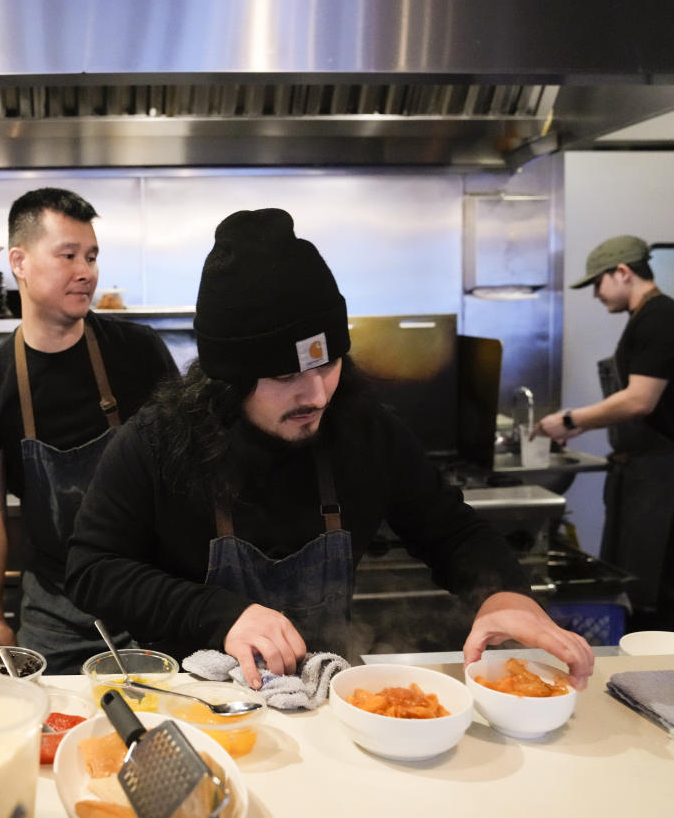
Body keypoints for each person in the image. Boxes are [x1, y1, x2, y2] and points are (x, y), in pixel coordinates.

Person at [67, 208, 595, 689]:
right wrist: (219, 613)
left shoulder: (364, 431)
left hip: (334, 697)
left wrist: (504, 595)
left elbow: (452, 530)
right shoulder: (158, 440)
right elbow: (92, 569)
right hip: (199, 708)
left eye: (327, 362)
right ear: (226, 380)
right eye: (283, 375)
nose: (316, 394)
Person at [0, 187, 179, 673]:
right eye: (69, 255)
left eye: (92, 256)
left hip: (145, 595)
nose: (87, 271)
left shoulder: (140, 353)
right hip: (52, 610)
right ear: (20, 261)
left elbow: (186, 472)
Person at [536, 235, 674, 635]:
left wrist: (570, 419)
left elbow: (639, 400)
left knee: (661, 590)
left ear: (624, 272)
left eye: (598, 282)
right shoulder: (645, 319)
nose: (596, 294)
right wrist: (577, 424)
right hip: (641, 475)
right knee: (634, 585)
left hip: (665, 477)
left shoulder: (662, 318)